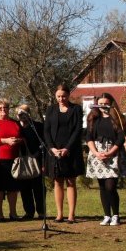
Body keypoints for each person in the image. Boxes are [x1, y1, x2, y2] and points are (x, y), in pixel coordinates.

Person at [43, 84, 84, 223]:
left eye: (64, 96)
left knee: (71, 181)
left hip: (70, 150)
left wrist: (67, 148)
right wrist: (52, 148)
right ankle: (59, 214)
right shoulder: (50, 110)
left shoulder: (76, 109)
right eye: (59, 96)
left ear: (68, 95)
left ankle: (71, 215)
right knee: (58, 181)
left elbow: (78, 130)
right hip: (54, 151)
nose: (61, 99)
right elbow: (46, 131)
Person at [85, 93, 126, 226]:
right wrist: (96, 153)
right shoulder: (93, 118)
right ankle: (106, 215)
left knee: (111, 186)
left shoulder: (118, 118)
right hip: (97, 153)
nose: (103, 106)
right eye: (100, 103)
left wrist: (110, 152)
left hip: (113, 153)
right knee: (102, 186)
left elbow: (121, 138)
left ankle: (116, 215)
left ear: (111, 103)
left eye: (105, 103)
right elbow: (89, 137)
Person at [16, 104, 45, 219]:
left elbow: (43, 143)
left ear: (29, 113)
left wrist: (38, 158)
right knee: (24, 188)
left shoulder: (37, 126)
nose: (22, 116)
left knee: (38, 187)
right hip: (21, 161)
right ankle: (29, 212)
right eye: (19, 113)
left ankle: (41, 212)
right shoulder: (16, 126)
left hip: (36, 160)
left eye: (24, 113)